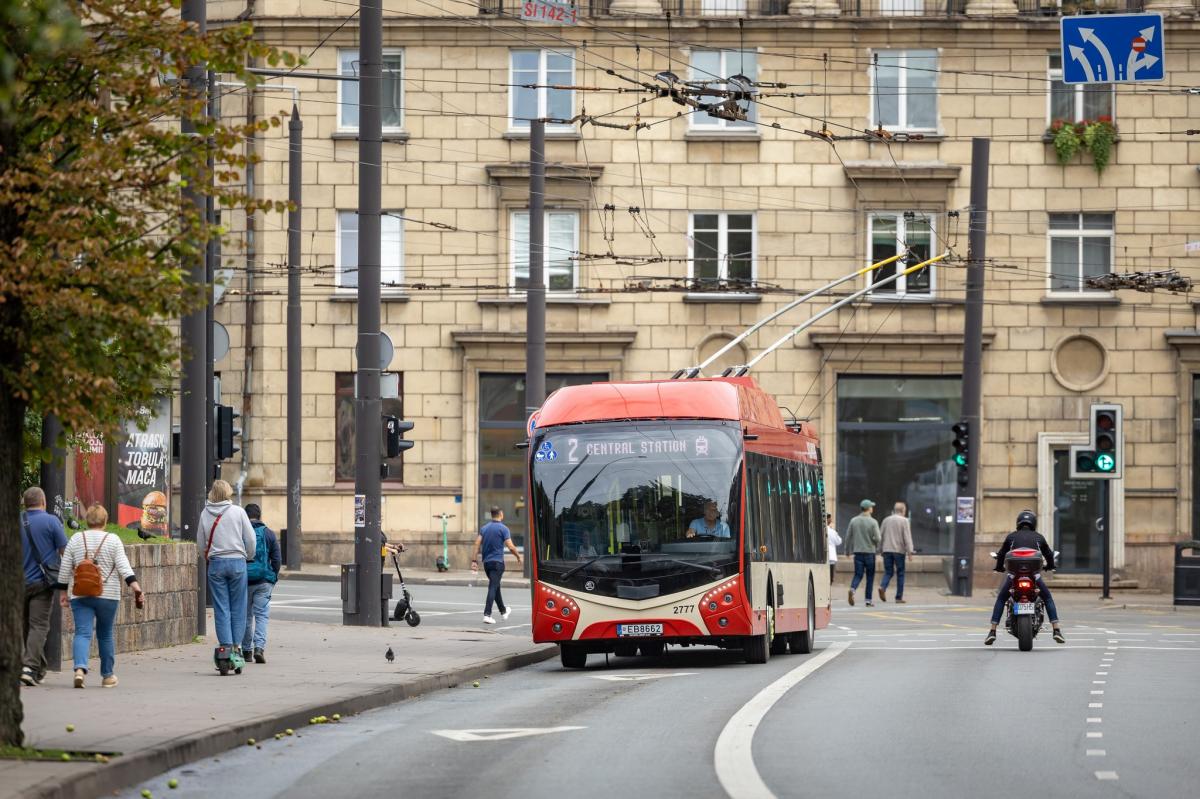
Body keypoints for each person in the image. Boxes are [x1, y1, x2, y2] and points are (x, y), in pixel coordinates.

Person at [54, 504, 144, 688]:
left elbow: (64, 568)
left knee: (83, 632)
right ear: (105, 521)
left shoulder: (76, 539)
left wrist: (63, 592)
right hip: (108, 595)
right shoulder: (113, 540)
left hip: (80, 594)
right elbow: (123, 567)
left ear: (87, 521)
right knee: (105, 635)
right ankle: (108, 676)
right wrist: (135, 587)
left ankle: (79, 669)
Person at [986, 510, 1064, 646]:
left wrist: (999, 567)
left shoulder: (1011, 537)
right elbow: (1049, 555)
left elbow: (1001, 555)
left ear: (1018, 523)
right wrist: (1050, 566)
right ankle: (1056, 630)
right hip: (1034, 576)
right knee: (1047, 597)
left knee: (1001, 598)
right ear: (1033, 523)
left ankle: (992, 632)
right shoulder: (1039, 537)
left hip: (1013, 575)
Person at [198, 480, 256, 664]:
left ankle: (225, 646)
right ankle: (237, 648)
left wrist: (207, 557)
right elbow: (251, 539)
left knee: (221, 608)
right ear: (228, 492)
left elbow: (201, 543)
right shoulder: (238, 512)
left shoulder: (205, 513)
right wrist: (248, 556)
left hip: (216, 564)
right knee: (239, 608)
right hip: (238, 562)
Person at [20, 486, 67, 687]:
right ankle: (29, 668)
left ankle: (37, 669)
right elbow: (66, 551)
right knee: (38, 625)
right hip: (41, 583)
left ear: (25, 503)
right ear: (44, 501)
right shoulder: (51, 521)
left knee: (25, 626)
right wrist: (66, 582)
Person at [241, 504, 281, 664]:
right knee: (262, 615)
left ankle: (246, 651)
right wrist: (274, 575)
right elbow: (277, 559)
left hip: (243, 579)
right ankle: (259, 648)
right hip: (264, 580)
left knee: (245, 616)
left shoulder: (241, 532)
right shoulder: (268, 533)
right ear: (260, 515)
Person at [471, 506, 521, 625]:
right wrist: (518, 556)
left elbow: (476, 544)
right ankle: (487, 614)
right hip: (498, 563)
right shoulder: (503, 529)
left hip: (487, 564)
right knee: (493, 587)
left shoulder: (484, 528)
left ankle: (503, 612)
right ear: (501, 514)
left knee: (495, 585)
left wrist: (474, 561)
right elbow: (511, 546)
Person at [845, 499, 881, 607]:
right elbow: (878, 538)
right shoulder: (873, 522)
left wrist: (847, 551)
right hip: (870, 552)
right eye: (871, 507)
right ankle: (868, 600)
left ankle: (852, 589)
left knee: (858, 574)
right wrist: (874, 543)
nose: (872, 508)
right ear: (869, 509)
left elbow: (848, 537)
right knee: (870, 577)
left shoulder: (854, 520)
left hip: (858, 552)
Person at [878, 502, 915, 604]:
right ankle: (898, 597)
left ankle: (882, 587)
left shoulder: (886, 520)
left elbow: (880, 536)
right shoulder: (905, 521)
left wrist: (880, 549)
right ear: (903, 510)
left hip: (887, 550)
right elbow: (907, 537)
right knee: (900, 573)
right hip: (899, 551)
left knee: (888, 572)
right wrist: (910, 552)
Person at [825, 514, 842, 584]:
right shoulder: (832, 531)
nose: (831, 520)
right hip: (831, 556)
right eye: (830, 518)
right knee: (830, 576)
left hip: (822, 556)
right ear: (828, 520)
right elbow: (839, 541)